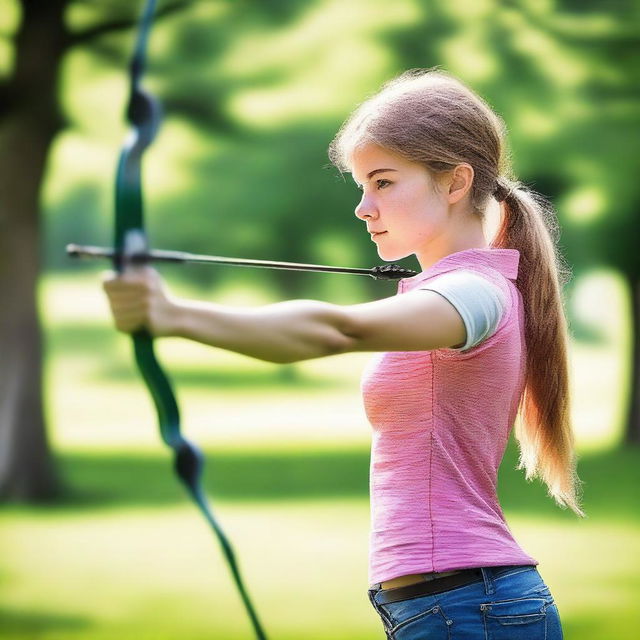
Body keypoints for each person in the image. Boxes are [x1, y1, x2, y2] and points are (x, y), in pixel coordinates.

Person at [103, 68, 585, 639]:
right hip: (454, 604)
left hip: (467, 606)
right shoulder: (461, 292)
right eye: (361, 185)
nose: (363, 207)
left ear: (455, 182)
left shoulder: (474, 295)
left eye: (383, 182)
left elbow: (339, 330)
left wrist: (174, 316)